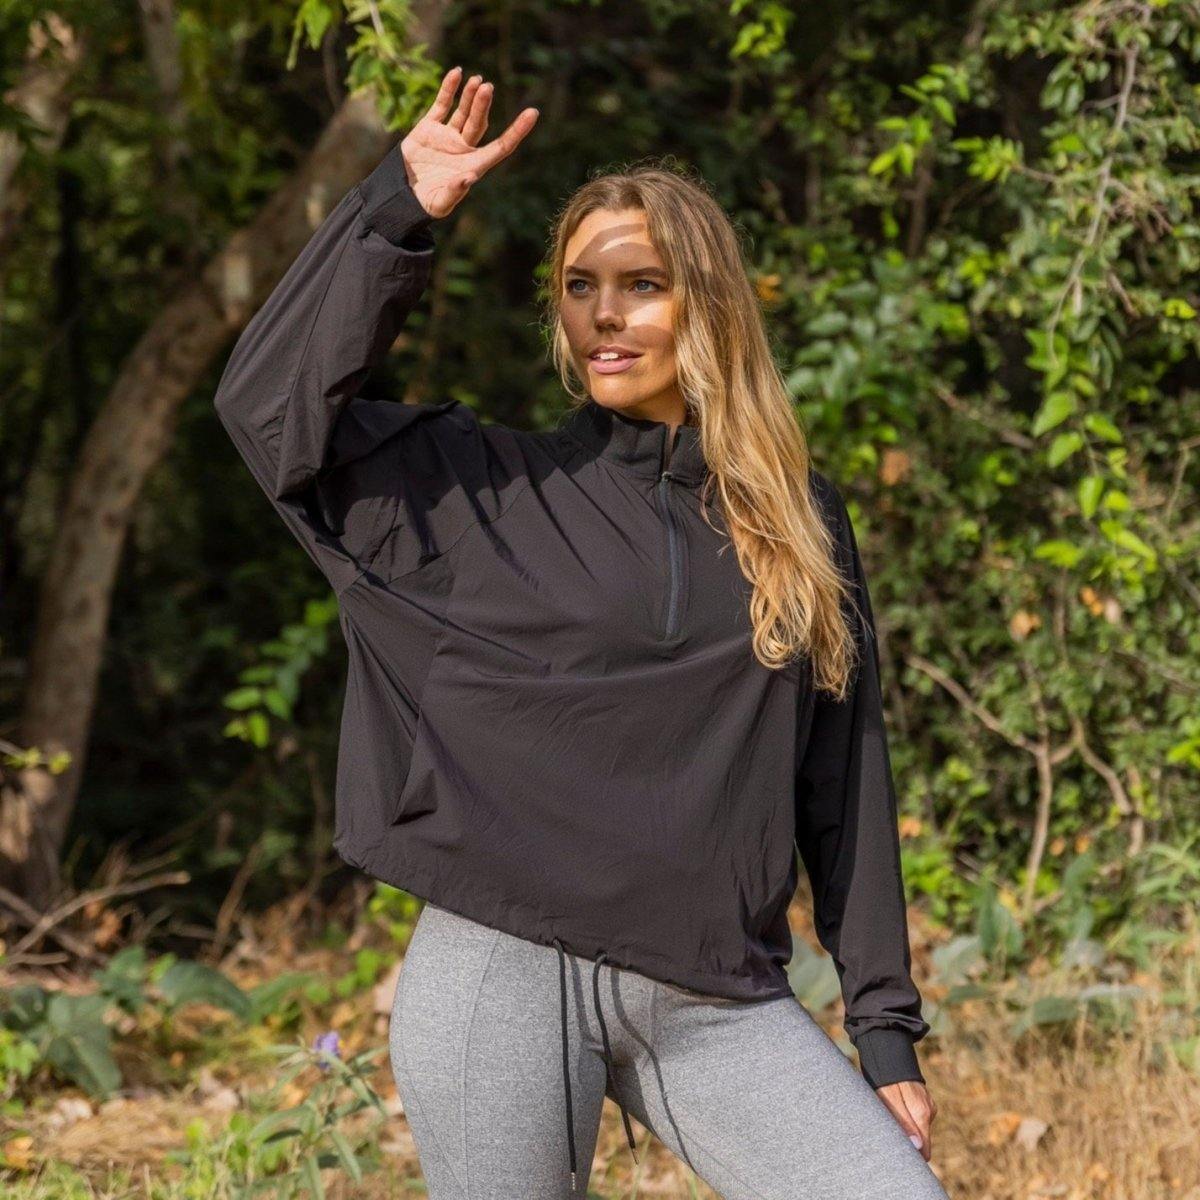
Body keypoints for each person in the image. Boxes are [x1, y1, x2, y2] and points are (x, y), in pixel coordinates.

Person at [214, 65, 949, 1200]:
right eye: (579, 286)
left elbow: (842, 779)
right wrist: (396, 211)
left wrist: (884, 1029)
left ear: (708, 304)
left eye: (641, 284)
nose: (604, 314)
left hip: (717, 996)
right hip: (503, 976)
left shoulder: (799, 519)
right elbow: (266, 411)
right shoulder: (477, 494)